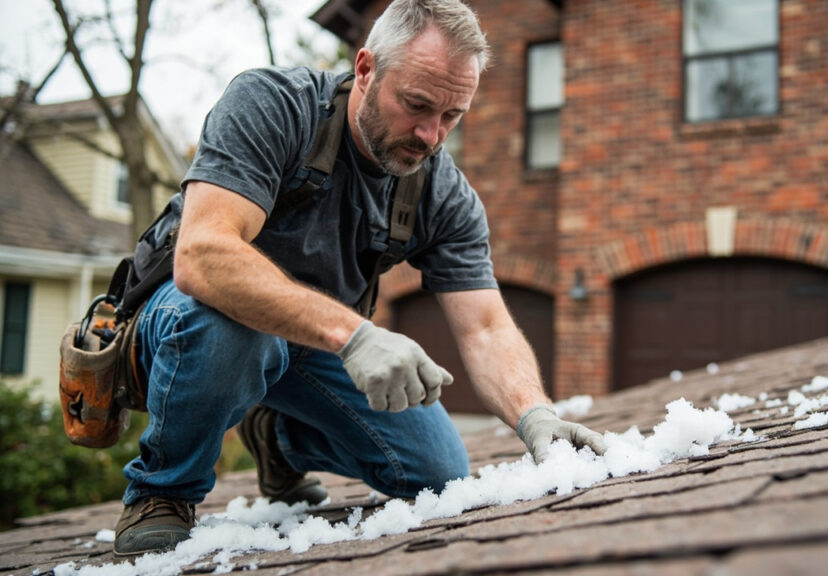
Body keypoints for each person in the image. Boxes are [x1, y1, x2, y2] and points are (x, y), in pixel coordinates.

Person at [112, 0, 607, 557]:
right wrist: (355, 335)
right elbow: (203, 255)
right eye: (417, 104)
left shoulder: (442, 193)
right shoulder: (274, 105)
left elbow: (486, 326)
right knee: (226, 328)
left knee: (438, 472)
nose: (430, 135)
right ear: (366, 69)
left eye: (452, 116)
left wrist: (533, 414)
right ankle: (162, 491)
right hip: (199, 320)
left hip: (313, 347)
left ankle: (278, 438)